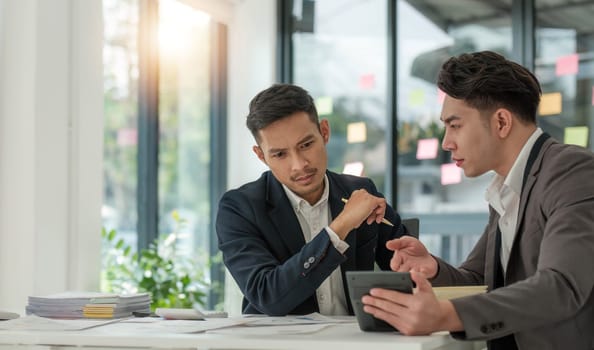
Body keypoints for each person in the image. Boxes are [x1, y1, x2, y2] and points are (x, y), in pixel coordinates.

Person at [361, 50, 594, 349]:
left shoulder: (572, 171)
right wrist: (431, 266)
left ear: (501, 122)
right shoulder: (507, 187)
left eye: (455, 125)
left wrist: (446, 315)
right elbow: (478, 280)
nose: (446, 142)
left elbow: (562, 286)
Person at [216, 83, 409, 316]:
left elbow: (409, 272)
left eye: (306, 145)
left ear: (324, 132)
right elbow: (268, 297)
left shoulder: (362, 192)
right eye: (280, 154)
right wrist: (340, 228)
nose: (299, 165)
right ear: (261, 155)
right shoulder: (239, 208)